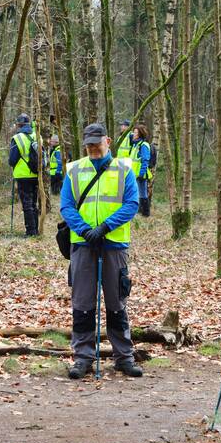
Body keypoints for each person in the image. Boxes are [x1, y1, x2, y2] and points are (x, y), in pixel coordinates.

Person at [60, 123, 143, 379]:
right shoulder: (74, 170)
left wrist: (105, 228)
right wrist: (85, 231)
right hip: (83, 245)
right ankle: (83, 357)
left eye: (98, 142)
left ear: (108, 141)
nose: (94, 148)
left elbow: (132, 204)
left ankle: (123, 357)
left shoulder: (123, 169)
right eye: (89, 144)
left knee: (117, 302)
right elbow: (66, 206)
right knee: (83, 303)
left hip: (113, 244)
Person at [8, 113, 39, 236]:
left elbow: (12, 160)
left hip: (22, 175)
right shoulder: (37, 136)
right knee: (33, 203)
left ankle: (30, 232)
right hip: (36, 174)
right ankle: (35, 229)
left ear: (19, 125)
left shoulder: (17, 138)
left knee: (27, 204)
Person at [130, 125, 153, 217]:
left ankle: (146, 213)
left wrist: (141, 174)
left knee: (143, 193)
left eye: (135, 132)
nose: (134, 134)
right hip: (134, 174)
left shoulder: (143, 145)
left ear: (140, 134)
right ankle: (140, 212)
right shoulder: (135, 145)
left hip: (140, 174)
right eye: (134, 132)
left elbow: (145, 160)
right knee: (137, 193)